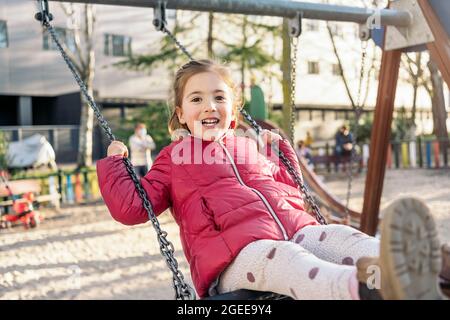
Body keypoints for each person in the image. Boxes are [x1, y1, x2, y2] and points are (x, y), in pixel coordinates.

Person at [97, 59, 444, 300]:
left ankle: (423, 269)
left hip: (296, 231)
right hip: (236, 261)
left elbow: (290, 189)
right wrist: (116, 164)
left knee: (342, 238)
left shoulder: (249, 148)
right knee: (287, 259)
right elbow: (133, 208)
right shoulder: (173, 159)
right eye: (197, 99)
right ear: (181, 114)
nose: (209, 106)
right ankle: (367, 289)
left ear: (233, 111)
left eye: (220, 98)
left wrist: (281, 154)